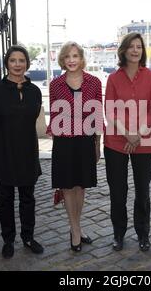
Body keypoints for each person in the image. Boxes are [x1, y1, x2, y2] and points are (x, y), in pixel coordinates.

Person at [0, 45, 44, 259]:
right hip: (3, 152)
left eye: (22, 60)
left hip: (27, 152)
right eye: (13, 60)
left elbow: (33, 118)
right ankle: (8, 240)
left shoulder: (35, 91)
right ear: (7, 63)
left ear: (27, 63)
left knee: (28, 198)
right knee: (5, 199)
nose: (17, 64)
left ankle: (28, 237)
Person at [104, 32, 151, 252]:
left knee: (142, 191)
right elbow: (109, 110)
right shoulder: (113, 78)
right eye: (131, 46)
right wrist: (128, 134)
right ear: (124, 51)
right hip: (116, 140)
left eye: (139, 46)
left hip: (143, 140)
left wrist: (138, 135)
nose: (136, 50)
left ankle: (143, 233)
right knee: (118, 191)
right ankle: (118, 233)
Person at [47, 41, 103, 252]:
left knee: (81, 186)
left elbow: (97, 114)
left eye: (75, 56)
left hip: (85, 140)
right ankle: (76, 230)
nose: (71, 60)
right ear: (63, 60)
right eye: (68, 56)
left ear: (81, 59)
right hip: (64, 142)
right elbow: (54, 115)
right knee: (67, 186)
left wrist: (98, 144)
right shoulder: (55, 85)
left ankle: (75, 228)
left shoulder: (94, 82)